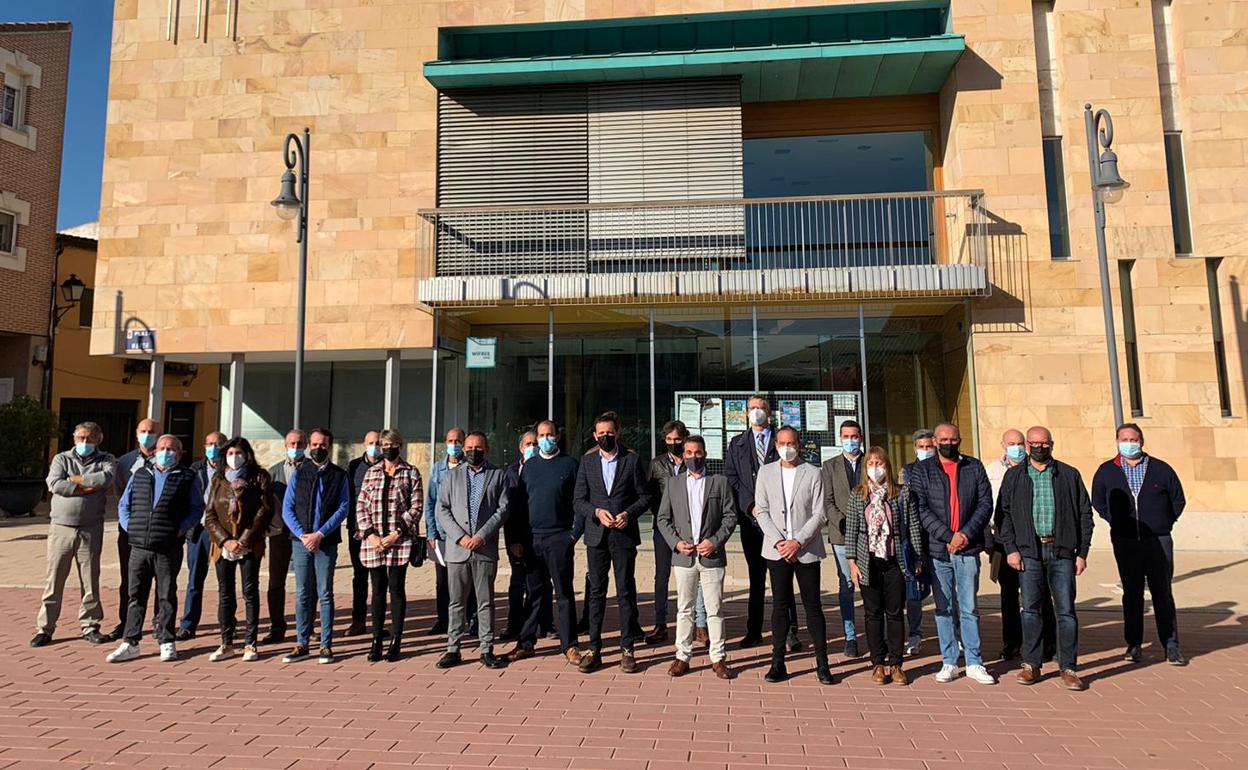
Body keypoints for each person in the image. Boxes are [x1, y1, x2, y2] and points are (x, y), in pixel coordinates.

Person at [997, 426, 1094, 691]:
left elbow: (1085, 514)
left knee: (1065, 612)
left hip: (1061, 551)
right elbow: (1002, 516)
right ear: (1027, 445)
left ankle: (1068, 668)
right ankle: (1032, 664)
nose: (1039, 447)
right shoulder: (1014, 476)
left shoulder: (1068, 475)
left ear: (1051, 444)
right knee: (1030, 611)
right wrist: (1011, 549)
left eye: (1044, 443)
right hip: (1028, 552)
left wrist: (1082, 552)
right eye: (1034, 443)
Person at [1092, 423, 1188, 666]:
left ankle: (1171, 646)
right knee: (1132, 593)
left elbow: (1178, 499)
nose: (1129, 443)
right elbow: (1099, 501)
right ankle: (1133, 644)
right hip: (1125, 541)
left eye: (1133, 438)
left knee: (1162, 593)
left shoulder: (1161, 469)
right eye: (1124, 438)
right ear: (1116, 441)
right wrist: (1116, 522)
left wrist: (1164, 523)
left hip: (1158, 540)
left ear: (1142, 441)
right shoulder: (1106, 471)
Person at [909, 422, 997, 685]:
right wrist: (949, 536)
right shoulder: (922, 471)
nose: (948, 443)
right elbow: (920, 509)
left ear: (959, 440)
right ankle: (949, 660)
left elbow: (985, 504)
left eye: (953, 439)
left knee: (969, 607)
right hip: (939, 549)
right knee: (944, 607)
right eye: (943, 439)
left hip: (968, 547)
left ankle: (974, 661)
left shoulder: (974, 467)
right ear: (935, 441)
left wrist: (965, 535)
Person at [106, 435, 204, 662]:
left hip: (168, 546)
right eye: (161, 448)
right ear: (154, 451)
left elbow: (197, 508)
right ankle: (131, 641)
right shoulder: (141, 474)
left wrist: (181, 529)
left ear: (179, 454)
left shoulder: (188, 477)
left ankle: (166, 640)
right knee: (135, 595)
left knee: (166, 595)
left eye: (171, 449)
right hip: (139, 546)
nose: (165, 452)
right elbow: (124, 504)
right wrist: (130, 526)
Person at [755, 426, 834, 685]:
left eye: (791, 443)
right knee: (780, 607)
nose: (786, 447)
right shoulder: (766, 473)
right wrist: (780, 542)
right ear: (775, 444)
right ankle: (778, 661)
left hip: (806, 549)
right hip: (776, 550)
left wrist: (797, 542)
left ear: (799, 445)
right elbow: (761, 510)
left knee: (813, 607)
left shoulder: (813, 473)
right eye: (782, 443)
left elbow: (819, 513)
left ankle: (823, 663)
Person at [656, 435, 738, 679]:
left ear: (705, 454)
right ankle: (682, 655)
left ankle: (718, 657)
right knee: (684, 609)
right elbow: (662, 518)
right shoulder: (673, 483)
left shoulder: (719, 482)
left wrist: (714, 541)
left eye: (698, 452)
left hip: (711, 556)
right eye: (689, 453)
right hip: (684, 557)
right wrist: (675, 543)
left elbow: (730, 516)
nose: (694, 457)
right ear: (683, 455)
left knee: (714, 609)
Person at [574, 412, 650, 673]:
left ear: (618, 433)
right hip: (597, 535)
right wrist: (596, 512)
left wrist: (628, 514)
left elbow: (644, 496)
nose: (605, 436)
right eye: (601, 433)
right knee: (596, 592)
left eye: (610, 432)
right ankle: (594, 648)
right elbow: (579, 500)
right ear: (594, 435)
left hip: (624, 535)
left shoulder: (632, 460)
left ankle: (627, 649)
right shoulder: (587, 462)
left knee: (626, 592)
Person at [723, 394, 798, 650]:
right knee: (757, 577)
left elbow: (792, 473)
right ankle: (753, 630)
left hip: (780, 521)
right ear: (746, 413)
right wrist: (750, 506)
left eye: (761, 407)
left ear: (770, 412)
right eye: (753, 408)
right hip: (751, 521)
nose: (757, 412)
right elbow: (732, 478)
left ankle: (789, 632)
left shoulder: (782, 440)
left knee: (784, 577)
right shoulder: (737, 444)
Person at [32, 422, 117, 647]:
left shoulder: (106, 459)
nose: (84, 443)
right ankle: (45, 628)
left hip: (90, 528)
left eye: (89, 438)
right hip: (61, 528)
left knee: (90, 580)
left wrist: (74, 479)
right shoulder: (62, 458)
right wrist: (85, 486)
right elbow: (54, 483)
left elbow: (105, 480)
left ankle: (90, 625)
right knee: (54, 580)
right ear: (73, 439)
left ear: (98, 440)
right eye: (80, 438)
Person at [846, 447, 925, 686]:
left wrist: (918, 558)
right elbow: (851, 531)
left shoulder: (901, 494)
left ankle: (896, 663)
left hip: (895, 562)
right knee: (872, 614)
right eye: (870, 463)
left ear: (887, 466)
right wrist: (852, 563)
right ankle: (878, 663)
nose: (875, 467)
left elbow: (912, 527)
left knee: (894, 613)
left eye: (879, 463)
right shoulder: (858, 495)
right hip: (868, 561)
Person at [506, 420, 583, 665]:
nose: (546, 438)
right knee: (535, 594)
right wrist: (517, 539)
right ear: (536, 438)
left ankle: (569, 645)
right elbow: (518, 507)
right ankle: (526, 643)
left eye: (550, 434)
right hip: (532, 540)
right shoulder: (528, 467)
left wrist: (573, 535)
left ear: (557, 437)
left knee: (564, 593)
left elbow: (580, 501)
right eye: (541, 435)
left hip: (559, 538)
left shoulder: (570, 464)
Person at [436, 431, 510, 669]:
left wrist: (481, 535)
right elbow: (442, 509)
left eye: (478, 448)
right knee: (456, 602)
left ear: (486, 450)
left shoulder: (497, 475)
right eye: (469, 448)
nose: (472, 452)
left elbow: (503, 509)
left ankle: (487, 648)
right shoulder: (451, 476)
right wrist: (460, 537)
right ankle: (453, 648)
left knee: (485, 602)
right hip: (458, 550)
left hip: (484, 548)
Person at [280, 428, 350, 664]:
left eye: (324, 445)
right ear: (309, 445)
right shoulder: (300, 474)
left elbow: (343, 508)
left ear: (329, 447)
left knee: (325, 593)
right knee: (302, 593)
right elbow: (287, 508)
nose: (319, 448)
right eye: (315, 444)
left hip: (326, 542)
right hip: (301, 543)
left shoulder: (339, 475)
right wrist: (303, 535)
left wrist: (320, 534)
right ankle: (302, 643)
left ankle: (326, 645)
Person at [986, 428, 1056, 662]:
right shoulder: (992, 471)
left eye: (1019, 443)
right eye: (1011, 443)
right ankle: (1012, 643)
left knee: (1040, 594)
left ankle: (1048, 644)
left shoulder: (1034, 468)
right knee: (1008, 596)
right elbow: (991, 507)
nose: (1016, 447)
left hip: (1034, 541)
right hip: (1003, 541)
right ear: (1003, 445)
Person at [203, 437, 275, 662]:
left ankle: (250, 643)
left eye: (239, 453)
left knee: (250, 592)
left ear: (247, 455)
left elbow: (264, 511)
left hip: (249, 544)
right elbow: (210, 514)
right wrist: (225, 541)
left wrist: (243, 539)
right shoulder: (218, 479)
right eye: (231, 453)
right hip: (223, 545)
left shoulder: (259, 477)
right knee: (226, 594)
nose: (235, 457)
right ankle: (226, 642)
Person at [355, 429, 423, 662]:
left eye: (391, 444)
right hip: (374, 541)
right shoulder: (372, 473)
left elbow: (416, 507)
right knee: (376, 592)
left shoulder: (411, 472)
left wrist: (397, 533)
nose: (387, 448)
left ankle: (396, 640)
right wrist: (371, 535)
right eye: (384, 444)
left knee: (396, 589)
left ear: (400, 445)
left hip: (399, 540)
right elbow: (361, 505)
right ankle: (376, 640)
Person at [819, 419, 864, 659]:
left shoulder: (872, 462)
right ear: (840, 437)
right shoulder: (830, 466)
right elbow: (827, 501)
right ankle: (850, 636)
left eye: (854, 435)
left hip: (871, 534)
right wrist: (844, 522)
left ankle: (877, 632)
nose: (850, 440)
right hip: (841, 534)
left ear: (861, 437)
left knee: (870, 585)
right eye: (846, 436)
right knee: (847, 584)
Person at [501, 431, 553, 641]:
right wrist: (513, 540)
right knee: (518, 582)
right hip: (517, 537)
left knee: (543, 582)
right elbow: (508, 508)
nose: (532, 446)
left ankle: (546, 624)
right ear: (521, 448)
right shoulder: (511, 472)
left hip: (541, 535)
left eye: (535, 443)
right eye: (528, 443)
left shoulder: (547, 467)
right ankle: (515, 624)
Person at [111, 417, 159, 640]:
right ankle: (126, 622)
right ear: (136, 434)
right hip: (131, 530)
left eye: (151, 431)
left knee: (162, 580)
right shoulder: (125, 462)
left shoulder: (168, 459)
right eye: (143, 431)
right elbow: (121, 494)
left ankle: (161, 622)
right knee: (129, 578)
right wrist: (128, 524)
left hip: (160, 530)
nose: (147, 435)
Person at [178, 430, 227, 641]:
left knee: (225, 581)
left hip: (223, 533)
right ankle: (188, 625)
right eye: (209, 444)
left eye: (217, 444)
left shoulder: (232, 470)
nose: (213, 448)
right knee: (194, 580)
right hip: (198, 531)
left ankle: (227, 625)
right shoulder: (194, 469)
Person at [426, 427, 475, 636]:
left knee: (468, 579)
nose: (453, 444)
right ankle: (443, 619)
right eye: (450, 440)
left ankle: (472, 619)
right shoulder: (438, 468)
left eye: (457, 441)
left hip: (463, 534)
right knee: (442, 581)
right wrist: (431, 532)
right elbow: (431, 501)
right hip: (442, 535)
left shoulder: (469, 467)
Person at [264, 429, 306, 644]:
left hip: (304, 535)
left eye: (299, 444)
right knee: (276, 582)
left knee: (306, 583)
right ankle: (277, 626)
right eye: (291, 443)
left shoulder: (312, 470)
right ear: (285, 445)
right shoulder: (273, 473)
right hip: (280, 535)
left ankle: (305, 627)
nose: (295, 447)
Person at [899, 428, 935, 655]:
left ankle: (956, 634)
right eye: (921, 447)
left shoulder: (943, 468)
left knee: (944, 590)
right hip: (915, 539)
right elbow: (904, 506)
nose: (925, 451)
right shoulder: (907, 472)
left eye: (929, 447)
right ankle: (915, 633)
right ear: (914, 449)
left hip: (938, 539)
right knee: (913, 592)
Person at [345, 430, 382, 637]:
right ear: (363, 444)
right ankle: (357, 621)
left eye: (378, 443)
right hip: (358, 532)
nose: (374, 446)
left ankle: (380, 622)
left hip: (380, 534)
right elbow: (350, 498)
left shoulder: (387, 465)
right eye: (371, 442)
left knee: (380, 580)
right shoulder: (353, 467)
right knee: (359, 576)